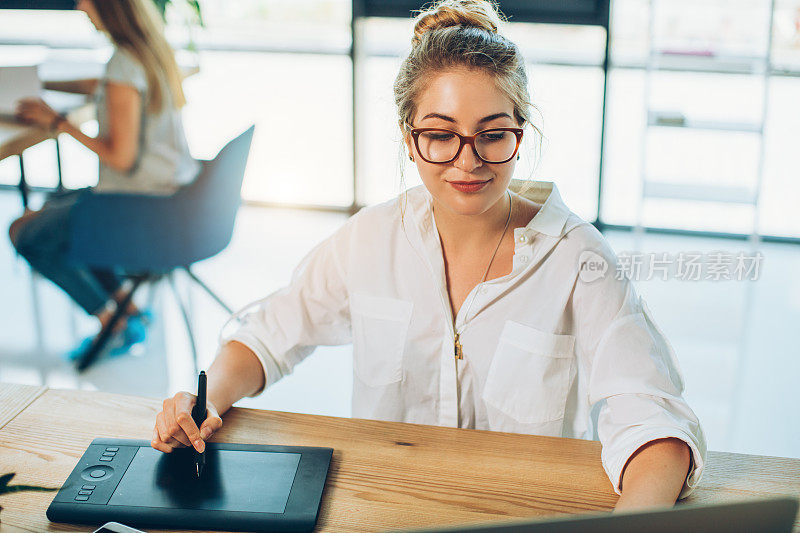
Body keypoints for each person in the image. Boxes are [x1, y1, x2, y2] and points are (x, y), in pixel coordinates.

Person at [151, 0, 706, 511]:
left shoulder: (578, 258)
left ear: (522, 131)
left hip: (523, 515)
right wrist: (205, 402)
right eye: (440, 135)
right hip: (387, 506)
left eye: (493, 135)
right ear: (407, 136)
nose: (468, 162)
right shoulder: (370, 238)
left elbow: (652, 421)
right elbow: (269, 333)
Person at [8, 0, 199, 356]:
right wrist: (44, 82)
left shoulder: (123, 65)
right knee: (51, 208)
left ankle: (112, 322)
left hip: (136, 204)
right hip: (168, 195)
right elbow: (108, 86)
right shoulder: (150, 51)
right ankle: (128, 309)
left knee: (25, 233)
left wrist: (57, 123)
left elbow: (120, 159)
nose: (80, 5)